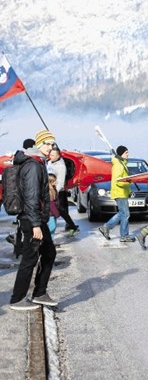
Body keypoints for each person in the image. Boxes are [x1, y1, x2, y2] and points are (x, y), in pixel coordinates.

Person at [9, 129, 59, 310]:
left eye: (52, 144)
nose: (50, 147)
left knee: (49, 253)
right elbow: (31, 196)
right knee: (30, 258)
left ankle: (39, 293)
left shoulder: (37, 163)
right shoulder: (33, 166)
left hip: (36, 218)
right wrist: (36, 224)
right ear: (38, 145)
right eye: (47, 144)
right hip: (32, 219)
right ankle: (17, 299)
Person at [98, 145, 135, 242]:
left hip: (123, 192)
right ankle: (122, 235)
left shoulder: (122, 163)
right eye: (126, 152)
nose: (128, 154)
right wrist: (129, 182)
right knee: (125, 214)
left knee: (123, 214)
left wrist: (129, 191)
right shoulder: (118, 165)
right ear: (121, 154)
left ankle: (107, 228)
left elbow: (124, 179)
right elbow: (118, 181)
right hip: (120, 193)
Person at [47, 146, 80, 235]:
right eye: (50, 155)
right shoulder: (49, 163)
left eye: (53, 155)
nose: (51, 156)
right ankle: (71, 225)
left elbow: (61, 183)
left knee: (60, 210)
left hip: (58, 192)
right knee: (59, 210)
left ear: (58, 156)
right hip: (50, 190)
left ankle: (72, 226)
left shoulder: (61, 166)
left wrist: (54, 193)